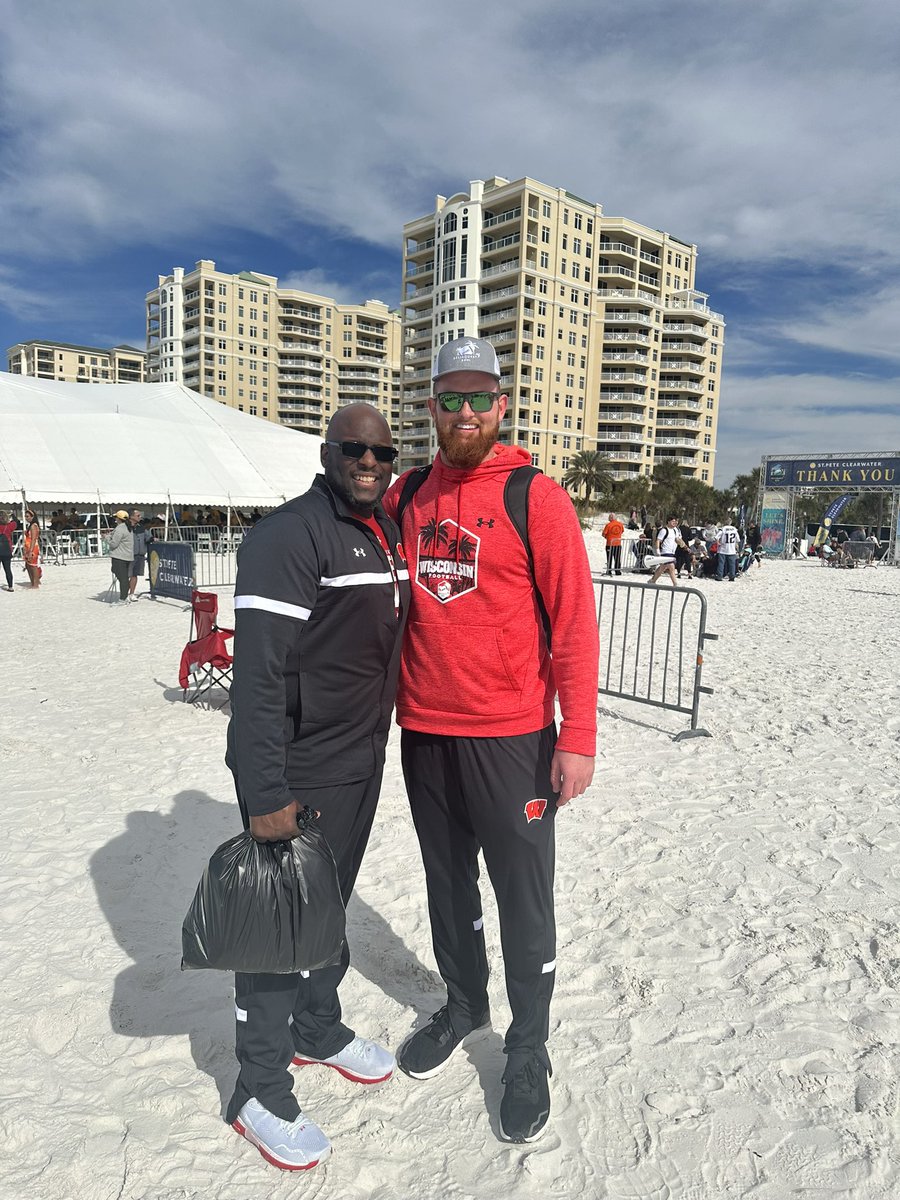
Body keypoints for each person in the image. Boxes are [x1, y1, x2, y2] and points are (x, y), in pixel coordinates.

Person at [383, 336, 599, 1145]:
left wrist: (576, 736)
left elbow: (575, 622)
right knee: (448, 887)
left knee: (522, 896)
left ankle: (528, 1045)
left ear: (501, 405)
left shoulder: (534, 495)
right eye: (450, 398)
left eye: (479, 398)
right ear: (431, 406)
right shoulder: (407, 495)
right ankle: (465, 1002)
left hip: (512, 738)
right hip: (426, 732)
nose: (465, 412)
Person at [223, 403, 409, 1172]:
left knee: (326, 918)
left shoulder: (381, 530)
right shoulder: (287, 536)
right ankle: (258, 1089)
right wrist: (264, 790)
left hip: (360, 760)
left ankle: (316, 1027)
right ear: (328, 451)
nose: (369, 461)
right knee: (277, 936)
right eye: (354, 449)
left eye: (382, 452)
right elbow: (257, 680)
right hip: (298, 770)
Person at [107, 511, 134, 602]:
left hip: (120, 556)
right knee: (124, 577)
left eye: (116, 517)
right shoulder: (128, 527)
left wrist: (106, 539)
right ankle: (124, 596)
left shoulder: (120, 528)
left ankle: (123, 598)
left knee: (123, 578)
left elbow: (114, 544)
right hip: (127, 556)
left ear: (118, 519)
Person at [127, 511, 153, 601]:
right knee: (126, 575)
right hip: (128, 555)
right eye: (138, 515)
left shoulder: (141, 527)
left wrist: (152, 539)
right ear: (131, 516)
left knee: (134, 575)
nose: (140, 516)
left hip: (140, 555)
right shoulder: (125, 527)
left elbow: (148, 537)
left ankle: (132, 593)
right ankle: (124, 593)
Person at [649, 516, 681, 586]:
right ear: (668, 521)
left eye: (675, 521)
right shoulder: (664, 530)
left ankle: (652, 580)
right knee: (671, 566)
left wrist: (684, 546)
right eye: (673, 521)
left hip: (672, 551)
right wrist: (657, 550)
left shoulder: (675, 530)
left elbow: (677, 540)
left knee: (662, 567)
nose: (675, 523)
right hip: (665, 551)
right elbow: (658, 540)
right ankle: (675, 583)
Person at [22, 508, 42, 588]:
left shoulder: (33, 526)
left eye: (28, 516)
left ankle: (35, 584)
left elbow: (33, 539)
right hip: (28, 546)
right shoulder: (30, 525)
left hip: (32, 547)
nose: (26, 518)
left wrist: (30, 551)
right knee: (28, 565)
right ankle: (33, 581)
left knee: (33, 566)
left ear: (32, 517)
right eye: (25, 516)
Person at [0, 511, 15, 590]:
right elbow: (15, 522)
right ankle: (10, 586)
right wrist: (12, 516)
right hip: (7, 550)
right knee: (8, 569)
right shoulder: (9, 526)